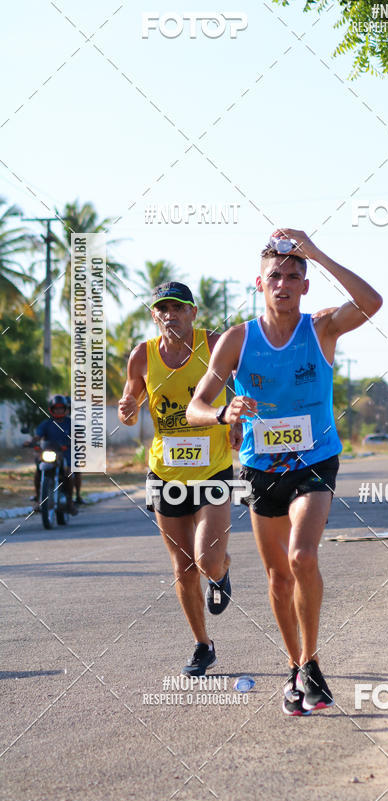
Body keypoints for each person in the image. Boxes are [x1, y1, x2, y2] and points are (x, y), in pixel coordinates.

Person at [186, 230, 382, 715]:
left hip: (315, 460)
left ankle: (313, 660)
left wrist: (317, 251)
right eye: (276, 275)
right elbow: (196, 406)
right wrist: (223, 414)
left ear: (305, 285)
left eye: (295, 275)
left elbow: (372, 301)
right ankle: (296, 667)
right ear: (260, 283)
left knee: (302, 555)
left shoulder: (321, 329)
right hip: (260, 468)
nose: (284, 283)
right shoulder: (237, 339)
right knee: (277, 578)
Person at [118, 281, 236, 678]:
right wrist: (128, 410)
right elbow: (130, 408)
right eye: (162, 309)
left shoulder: (214, 344)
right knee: (183, 566)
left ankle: (220, 571)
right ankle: (203, 645)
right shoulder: (142, 355)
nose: (170, 315)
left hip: (213, 466)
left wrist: (238, 419)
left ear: (193, 313)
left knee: (206, 559)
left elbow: (241, 385)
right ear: (155, 315)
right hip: (165, 472)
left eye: (178, 308)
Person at [31, 394, 77, 514]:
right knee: (38, 470)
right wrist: (31, 441)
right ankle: (38, 499)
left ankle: (70, 501)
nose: (59, 410)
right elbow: (38, 436)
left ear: (65, 409)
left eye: (61, 408)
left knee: (69, 473)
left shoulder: (70, 423)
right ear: (51, 409)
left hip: (66, 454)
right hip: (49, 453)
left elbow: (79, 436)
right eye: (56, 408)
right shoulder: (46, 424)